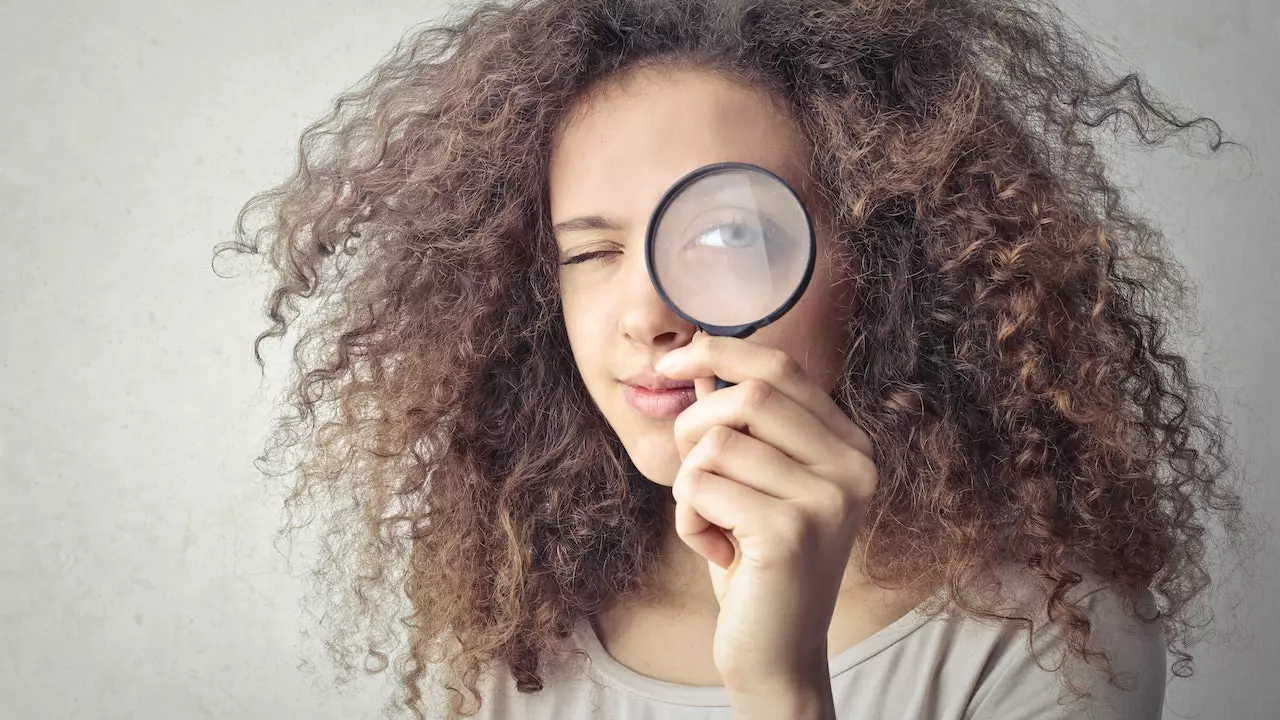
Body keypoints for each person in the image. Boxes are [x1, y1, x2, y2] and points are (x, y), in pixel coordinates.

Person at [214, 0, 1247, 718]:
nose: (647, 313)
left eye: (727, 235)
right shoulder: (506, 633)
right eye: (588, 252)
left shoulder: (1044, 647)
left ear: (885, 265)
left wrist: (781, 688)